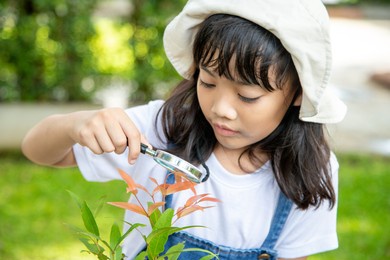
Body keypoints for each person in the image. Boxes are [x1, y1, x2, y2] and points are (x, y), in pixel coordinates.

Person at [22, 0, 347, 259]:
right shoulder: (162, 128)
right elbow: (38, 150)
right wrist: (74, 125)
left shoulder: (311, 170)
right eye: (207, 82)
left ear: (298, 93)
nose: (220, 108)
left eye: (247, 96)